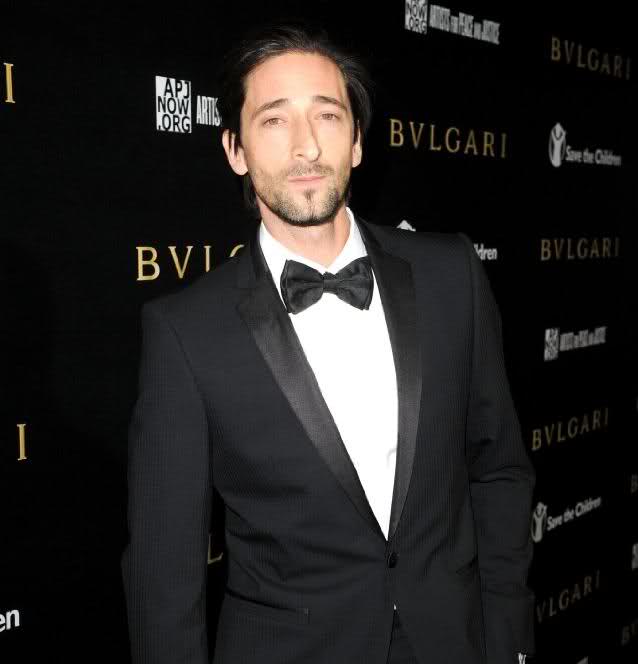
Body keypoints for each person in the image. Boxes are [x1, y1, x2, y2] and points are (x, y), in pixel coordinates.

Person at [120, 19, 536, 664]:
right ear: (235, 149)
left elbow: (499, 468)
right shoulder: (185, 331)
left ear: (358, 141)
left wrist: (509, 637)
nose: (307, 146)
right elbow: (163, 567)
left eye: (327, 116)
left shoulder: (451, 275)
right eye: (274, 120)